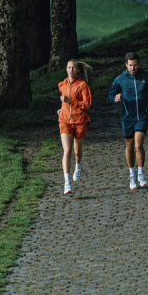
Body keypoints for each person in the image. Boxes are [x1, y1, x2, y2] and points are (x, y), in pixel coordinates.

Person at [108, 52, 148, 190]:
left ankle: (141, 173)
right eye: (130, 65)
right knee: (130, 146)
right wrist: (115, 98)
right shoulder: (119, 79)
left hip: (142, 115)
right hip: (127, 117)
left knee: (138, 145)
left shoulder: (146, 77)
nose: (133, 68)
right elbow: (111, 94)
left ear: (139, 64)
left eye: (135, 65)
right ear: (126, 65)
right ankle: (132, 174)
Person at [57, 60, 93, 195]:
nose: (71, 70)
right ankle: (67, 183)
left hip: (80, 121)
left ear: (78, 70)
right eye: (69, 67)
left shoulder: (83, 85)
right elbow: (63, 102)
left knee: (77, 152)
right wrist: (61, 110)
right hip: (65, 121)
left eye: (74, 68)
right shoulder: (62, 85)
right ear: (66, 69)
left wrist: (70, 102)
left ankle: (78, 166)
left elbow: (87, 104)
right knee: (67, 151)